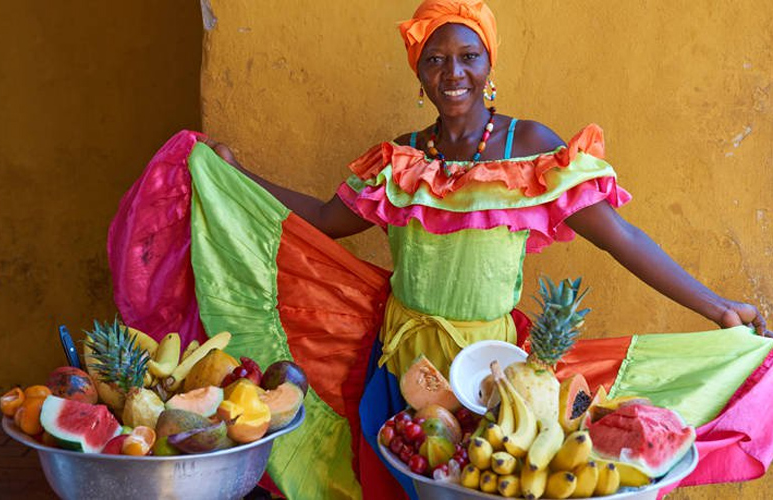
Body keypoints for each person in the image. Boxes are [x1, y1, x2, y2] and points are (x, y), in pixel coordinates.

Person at [112, 1, 771, 499]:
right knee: (403, 483)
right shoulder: (401, 160)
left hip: (494, 371)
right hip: (402, 362)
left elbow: (620, 235)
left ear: (489, 65)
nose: (452, 71)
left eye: (467, 55)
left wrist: (717, 307)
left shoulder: (528, 147)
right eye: (435, 58)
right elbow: (319, 218)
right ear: (419, 74)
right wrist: (231, 172)